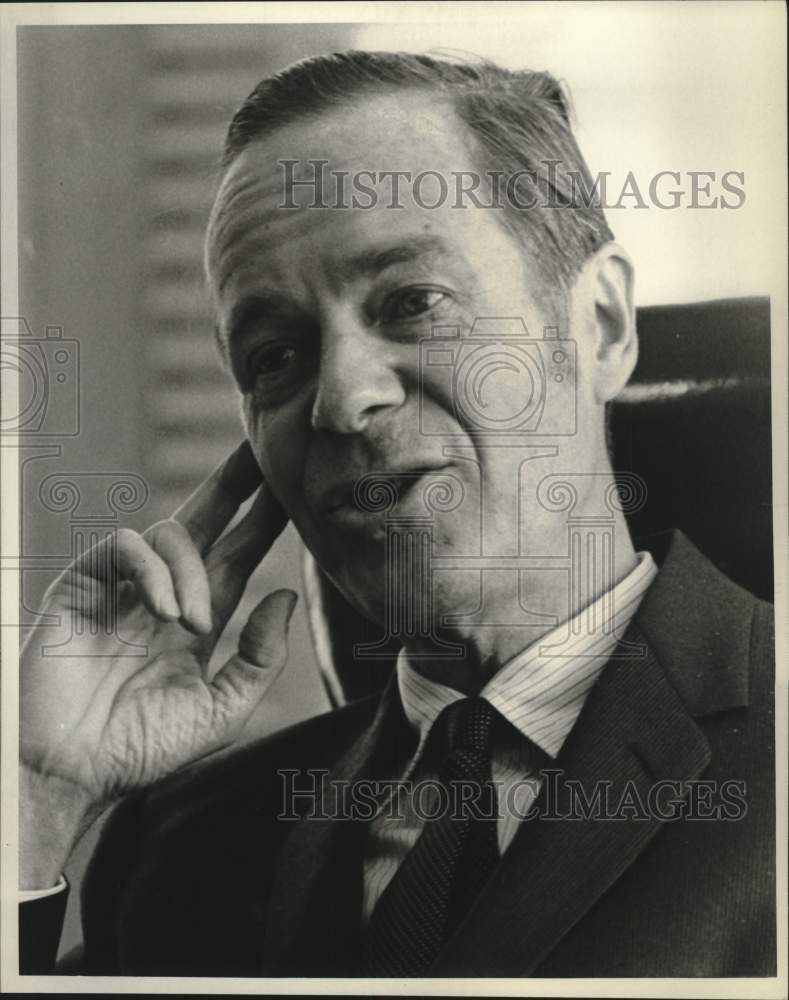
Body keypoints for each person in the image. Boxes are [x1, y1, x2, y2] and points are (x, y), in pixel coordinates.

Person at [19, 51, 775, 977]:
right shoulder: (184, 850)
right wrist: (36, 800)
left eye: (413, 302)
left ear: (602, 325)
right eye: (273, 356)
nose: (341, 399)